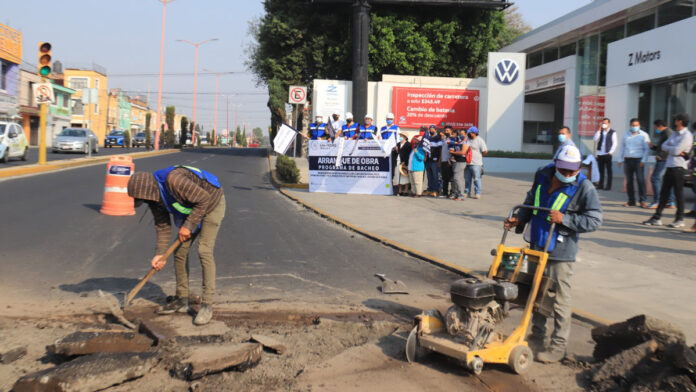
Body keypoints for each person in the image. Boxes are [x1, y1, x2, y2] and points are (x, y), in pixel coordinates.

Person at [504, 144, 602, 363]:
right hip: (537, 243)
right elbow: (531, 201)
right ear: (555, 163)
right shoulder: (542, 174)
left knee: (559, 299)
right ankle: (536, 337)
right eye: (564, 169)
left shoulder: (584, 187)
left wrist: (565, 220)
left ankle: (558, 347)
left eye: (572, 171)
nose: (568, 174)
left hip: (560, 250)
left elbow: (595, 219)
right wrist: (520, 218)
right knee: (536, 293)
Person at [127, 165, 226, 325]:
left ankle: (207, 305)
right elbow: (163, 226)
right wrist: (159, 253)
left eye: (144, 199)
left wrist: (188, 225)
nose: (145, 202)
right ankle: (182, 299)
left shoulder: (175, 181)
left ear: (149, 191)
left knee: (204, 250)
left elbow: (204, 199)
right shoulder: (155, 199)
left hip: (212, 204)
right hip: (194, 208)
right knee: (179, 251)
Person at [643, 113, 694, 228]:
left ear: (680, 121)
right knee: (664, 193)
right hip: (670, 166)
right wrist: (675, 150)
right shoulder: (675, 133)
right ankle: (657, 217)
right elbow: (664, 146)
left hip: (679, 168)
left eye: (676, 119)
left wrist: (674, 149)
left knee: (678, 194)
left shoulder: (687, 135)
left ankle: (680, 219)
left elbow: (675, 150)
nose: (674, 121)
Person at [618, 118, 650, 208]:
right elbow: (622, 147)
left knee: (640, 180)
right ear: (630, 125)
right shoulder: (626, 134)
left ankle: (642, 200)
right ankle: (631, 200)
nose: (634, 127)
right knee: (629, 181)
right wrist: (620, 159)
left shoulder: (644, 135)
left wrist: (644, 160)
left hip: (638, 160)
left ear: (639, 126)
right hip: (628, 160)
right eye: (633, 125)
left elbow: (646, 149)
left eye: (636, 125)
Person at [647, 120, 675, 209]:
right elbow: (661, 147)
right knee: (668, 180)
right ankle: (670, 202)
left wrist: (660, 155)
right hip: (663, 159)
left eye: (655, 127)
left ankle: (657, 201)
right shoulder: (664, 133)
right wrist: (653, 147)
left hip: (663, 160)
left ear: (660, 126)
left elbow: (671, 147)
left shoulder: (668, 133)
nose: (655, 129)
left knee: (655, 178)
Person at [593, 118, 617, 190]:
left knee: (609, 170)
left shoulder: (612, 132)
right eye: (603, 123)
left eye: (605, 123)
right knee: (601, 170)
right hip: (600, 153)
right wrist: (599, 131)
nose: (604, 124)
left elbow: (615, 143)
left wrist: (611, 152)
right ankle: (601, 185)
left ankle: (608, 186)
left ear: (608, 124)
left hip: (607, 153)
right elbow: (595, 139)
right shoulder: (600, 132)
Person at [464, 126, 488, 199]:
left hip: (476, 164)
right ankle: (467, 192)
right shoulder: (468, 140)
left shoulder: (480, 140)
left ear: (474, 133)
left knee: (477, 179)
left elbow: (485, 151)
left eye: (470, 133)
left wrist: (479, 157)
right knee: (467, 179)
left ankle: (477, 193)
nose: (469, 134)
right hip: (467, 163)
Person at [448, 129, 470, 201]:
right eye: (460, 133)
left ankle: (461, 195)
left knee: (457, 178)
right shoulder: (459, 141)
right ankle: (457, 194)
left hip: (461, 161)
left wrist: (453, 152)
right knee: (456, 178)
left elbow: (463, 152)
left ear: (466, 134)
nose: (461, 135)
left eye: (462, 134)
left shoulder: (466, 142)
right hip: (456, 161)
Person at [380, 113, 400, 188]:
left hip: (393, 150)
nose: (389, 120)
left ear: (393, 119)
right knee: (385, 166)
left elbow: (397, 138)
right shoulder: (382, 128)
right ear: (386, 119)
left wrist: (397, 146)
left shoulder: (396, 128)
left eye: (390, 119)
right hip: (385, 149)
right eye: (388, 119)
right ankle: (384, 183)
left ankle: (391, 184)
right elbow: (381, 138)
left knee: (392, 166)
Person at [424, 125, 443, 197]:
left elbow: (440, 149)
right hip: (428, 159)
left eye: (432, 129)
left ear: (435, 130)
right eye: (430, 129)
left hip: (435, 160)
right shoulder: (428, 138)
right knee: (429, 176)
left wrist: (439, 160)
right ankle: (430, 189)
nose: (431, 130)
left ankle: (435, 190)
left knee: (435, 176)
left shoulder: (438, 138)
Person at [440, 126, 454, 198]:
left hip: (450, 161)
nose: (446, 132)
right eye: (445, 130)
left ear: (451, 131)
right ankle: (445, 193)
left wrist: (451, 161)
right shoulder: (445, 139)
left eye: (448, 130)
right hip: (443, 161)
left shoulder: (453, 139)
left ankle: (452, 193)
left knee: (451, 178)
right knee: (444, 178)